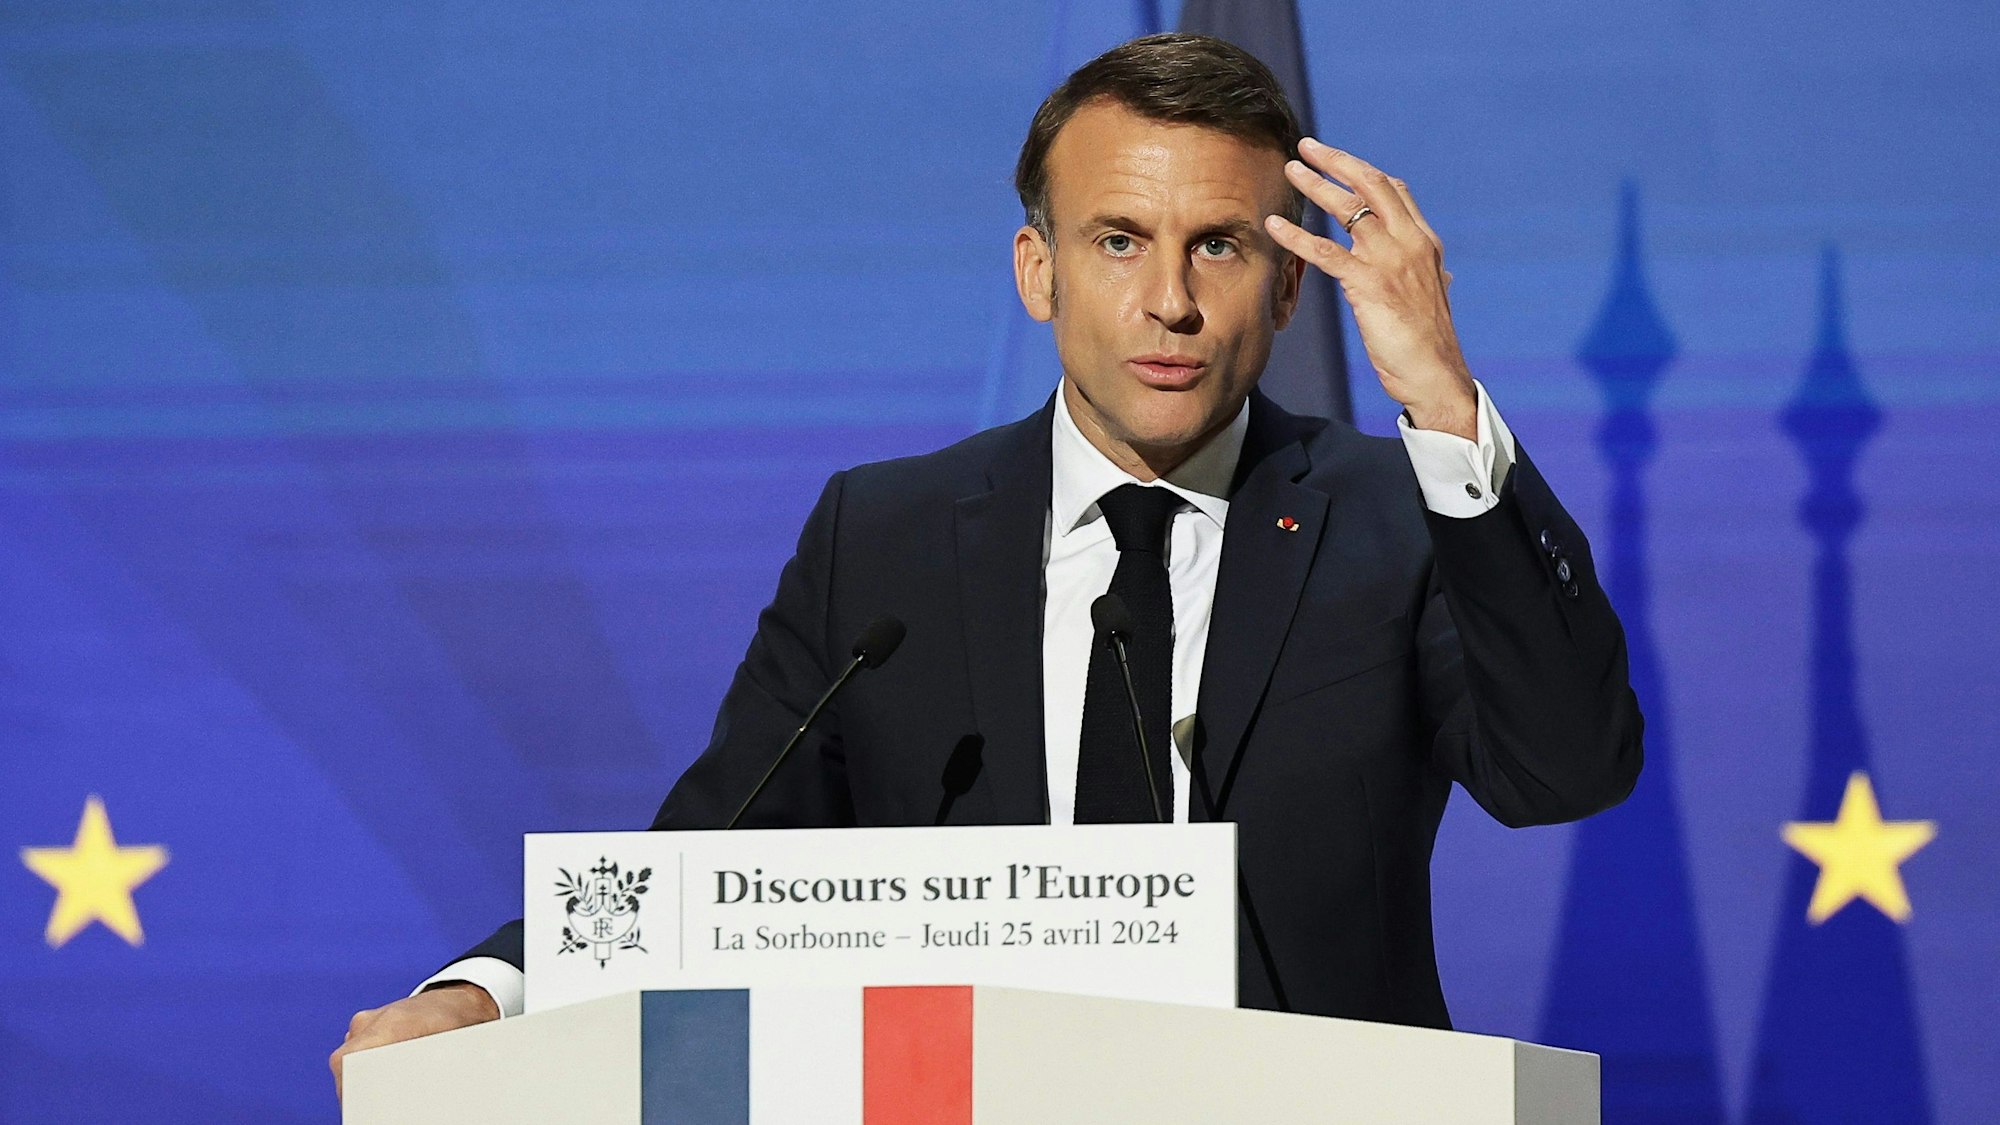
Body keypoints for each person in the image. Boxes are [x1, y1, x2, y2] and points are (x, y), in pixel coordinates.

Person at [331, 32, 1641, 1095]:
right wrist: (481, 990)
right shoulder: (884, 539)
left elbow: (1565, 767)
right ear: (1038, 269)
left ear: (1291, 290)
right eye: (1118, 240)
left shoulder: (1395, 513)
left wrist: (1450, 411)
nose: (1169, 301)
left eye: (1220, 246)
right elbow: (708, 863)